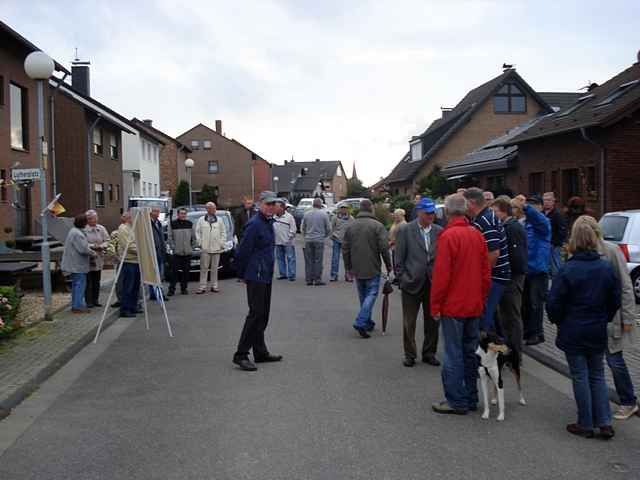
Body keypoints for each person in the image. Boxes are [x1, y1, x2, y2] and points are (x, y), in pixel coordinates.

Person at [546, 221, 621, 439]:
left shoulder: (567, 269)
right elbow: (614, 299)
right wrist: (604, 316)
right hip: (597, 327)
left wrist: (558, 321)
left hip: (573, 328)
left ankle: (586, 422)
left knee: (580, 375)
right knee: (597, 374)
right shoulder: (605, 267)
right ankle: (604, 422)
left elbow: (554, 302)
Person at [575, 215, 639, 420]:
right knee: (593, 364)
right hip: (589, 320)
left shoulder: (611, 251)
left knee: (614, 360)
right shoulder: (578, 252)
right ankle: (596, 403)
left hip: (610, 319)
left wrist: (628, 319)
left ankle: (628, 401)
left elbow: (626, 287)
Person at [431, 194, 490, 415]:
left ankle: (457, 400)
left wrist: (435, 305)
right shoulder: (477, 235)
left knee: (453, 353)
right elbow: (486, 274)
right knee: (469, 352)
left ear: (446, 212)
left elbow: (441, 277)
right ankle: (471, 397)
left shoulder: (448, 237)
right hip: (473, 304)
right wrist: (481, 298)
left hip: (454, 306)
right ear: (465, 210)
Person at [233, 191, 282, 372]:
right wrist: (242, 274)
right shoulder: (254, 224)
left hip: (265, 275)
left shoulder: (268, 222)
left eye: (273, 204)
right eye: (268, 204)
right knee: (255, 315)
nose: (271, 207)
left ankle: (260, 352)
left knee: (262, 315)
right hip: (255, 275)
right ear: (260, 204)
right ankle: (241, 354)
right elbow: (242, 251)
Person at [395, 198, 442, 367]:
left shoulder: (439, 231)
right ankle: (410, 354)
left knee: (433, 321)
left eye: (433, 212)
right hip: (411, 282)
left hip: (433, 283)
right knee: (409, 322)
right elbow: (398, 257)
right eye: (428, 212)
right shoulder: (405, 230)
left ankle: (429, 353)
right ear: (419, 212)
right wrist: (402, 278)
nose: (431, 215)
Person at [342, 199, 392, 338]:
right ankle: (361, 321)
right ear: (371, 209)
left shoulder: (351, 226)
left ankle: (367, 321)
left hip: (357, 267)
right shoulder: (378, 226)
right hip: (372, 266)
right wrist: (388, 265)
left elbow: (345, 248)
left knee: (363, 295)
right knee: (371, 294)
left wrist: (348, 267)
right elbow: (384, 248)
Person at [463, 187, 510, 333]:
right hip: (494, 275)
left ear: (471, 203)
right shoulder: (484, 217)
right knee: (490, 317)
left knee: (484, 318)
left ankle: (486, 351)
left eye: (464, 203)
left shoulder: (485, 220)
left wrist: (483, 277)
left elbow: (494, 253)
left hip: (495, 276)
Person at [513, 194, 551, 346]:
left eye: (535, 205)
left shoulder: (543, 223)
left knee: (535, 303)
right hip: (525, 268)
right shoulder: (523, 223)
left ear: (541, 207)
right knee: (526, 303)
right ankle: (528, 331)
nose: (532, 207)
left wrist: (526, 207)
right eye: (530, 204)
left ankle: (537, 333)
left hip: (538, 269)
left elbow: (539, 220)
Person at [491, 197, 528, 358]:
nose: (493, 215)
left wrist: (507, 273)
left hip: (512, 279)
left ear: (503, 211)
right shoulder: (506, 226)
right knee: (504, 317)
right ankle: (507, 350)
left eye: (495, 211)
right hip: (506, 278)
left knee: (512, 316)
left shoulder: (513, 228)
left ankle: (515, 353)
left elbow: (517, 257)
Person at [61, 214, 96, 314]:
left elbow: (83, 246)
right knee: (80, 285)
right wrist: (94, 253)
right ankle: (78, 306)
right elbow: (83, 249)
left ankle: (76, 305)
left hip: (74, 264)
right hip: (77, 265)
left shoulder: (73, 231)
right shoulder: (78, 234)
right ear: (84, 223)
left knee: (76, 285)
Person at [194, 202, 227, 294]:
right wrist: (200, 243)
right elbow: (197, 232)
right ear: (207, 209)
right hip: (205, 249)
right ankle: (202, 287)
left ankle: (214, 286)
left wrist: (221, 243)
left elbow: (223, 232)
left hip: (217, 248)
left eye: (215, 208)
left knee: (214, 268)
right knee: (204, 268)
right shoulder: (201, 220)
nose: (214, 210)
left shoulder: (219, 220)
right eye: (212, 208)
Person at [301, 197, 331, 286]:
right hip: (319, 240)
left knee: (309, 260)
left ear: (313, 204)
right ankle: (317, 279)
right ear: (320, 205)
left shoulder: (306, 214)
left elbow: (303, 228)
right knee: (318, 260)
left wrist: (306, 236)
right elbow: (329, 228)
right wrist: (324, 236)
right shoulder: (324, 215)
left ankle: (309, 280)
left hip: (308, 239)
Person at [116, 212, 140, 318]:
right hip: (128, 261)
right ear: (127, 218)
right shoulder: (123, 229)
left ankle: (133, 306)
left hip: (136, 261)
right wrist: (141, 250)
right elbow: (129, 245)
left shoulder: (132, 227)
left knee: (135, 286)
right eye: (132, 217)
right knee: (128, 286)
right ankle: (125, 309)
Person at [84, 210, 109, 308]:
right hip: (89, 258)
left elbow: (107, 240)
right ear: (88, 220)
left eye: (96, 218)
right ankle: (88, 301)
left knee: (97, 280)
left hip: (99, 258)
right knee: (88, 281)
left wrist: (102, 246)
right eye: (93, 218)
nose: (95, 220)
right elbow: (83, 243)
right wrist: (93, 246)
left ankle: (96, 300)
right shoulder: (84, 230)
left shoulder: (101, 228)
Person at [167, 207, 194, 296]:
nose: (183, 215)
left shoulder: (190, 224)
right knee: (174, 272)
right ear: (178, 214)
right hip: (177, 253)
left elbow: (193, 237)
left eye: (184, 213)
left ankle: (184, 288)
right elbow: (170, 238)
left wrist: (192, 247)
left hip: (187, 252)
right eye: (181, 213)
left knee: (186, 272)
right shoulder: (173, 224)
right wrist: (173, 247)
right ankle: (171, 289)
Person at [543, 192, 567, 277]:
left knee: (555, 266)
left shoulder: (557, 215)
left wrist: (555, 243)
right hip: (543, 245)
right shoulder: (541, 214)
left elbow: (562, 230)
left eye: (549, 200)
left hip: (554, 245)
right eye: (545, 200)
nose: (546, 202)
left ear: (553, 201)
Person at [273, 198, 297, 281]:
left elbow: (293, 229)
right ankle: (282, 274)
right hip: (277, 242)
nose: (275, 208)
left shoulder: (289, 217)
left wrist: (289, 238)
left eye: (277, 207)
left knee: (290, 258)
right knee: (280, 258)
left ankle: (292, 275)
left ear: (282, 208)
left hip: (288, 242)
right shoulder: (274, 217)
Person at [329, 204, 354, 282]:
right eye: (342, 208)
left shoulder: (351, 219)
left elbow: (353, 229)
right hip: (336, 239)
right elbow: (332, 227)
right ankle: (334, 275)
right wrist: (332, 235)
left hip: (347, 241)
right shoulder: (335, 218)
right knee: (335, 258)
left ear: (347, 209)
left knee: (347, 259)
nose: (343, 210)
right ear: (339, 209)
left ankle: (348, 275)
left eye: (345, 208)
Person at [149, 207, 169, 301]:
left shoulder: (158, 223)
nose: (157, 213)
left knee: (159, 274)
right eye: (155, 211)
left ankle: (157, 293)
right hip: (153, 252)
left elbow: (161, 238)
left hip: (160, 252)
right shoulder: (149, 224)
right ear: (151, 212)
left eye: (158, 211)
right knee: (154, 274)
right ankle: (156, 293)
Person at [388, 208, 407, 284]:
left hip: (398, 247)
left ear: (402, 215)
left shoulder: (403, 224)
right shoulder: (396, 223)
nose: (395, 216)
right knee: (395, 262)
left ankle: (400, 278)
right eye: (395, 215)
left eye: (397, 215)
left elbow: (400, 237)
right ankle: (397, 277)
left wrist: (391, 242)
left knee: (398, 262)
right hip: (393, 246)